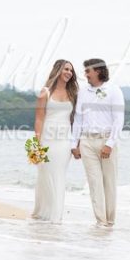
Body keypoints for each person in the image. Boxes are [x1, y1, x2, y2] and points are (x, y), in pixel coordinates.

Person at [71, 58, 125, 227]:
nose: (85, 74)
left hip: (106, 140)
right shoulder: (82, 92)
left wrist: (110, 143)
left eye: (88, 71)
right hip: (86, 142)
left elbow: (118, 119)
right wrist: (74, 144)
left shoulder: (114, 90)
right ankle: (100, 221)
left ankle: (110, 221)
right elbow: (78, 119)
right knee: (94, 183)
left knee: (109, 182)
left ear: (98, 71)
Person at [31, 59, 78, 223]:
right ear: (58, 70)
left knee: (59, 175)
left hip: (64, 140)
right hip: (47, 138)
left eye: (71, 70)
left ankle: (56, 216)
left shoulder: (73, 94)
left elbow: (75, 121)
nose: (69, 73)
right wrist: (37, 143)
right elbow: (39, 118)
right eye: (66, 69)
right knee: (45, 175)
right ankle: (43, 212)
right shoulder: (45, 92)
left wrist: (76, 143)